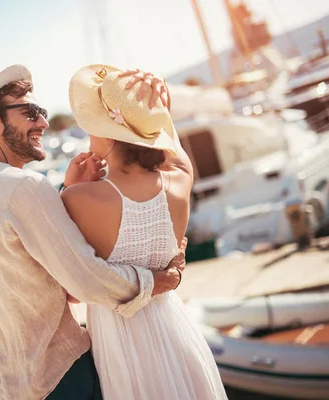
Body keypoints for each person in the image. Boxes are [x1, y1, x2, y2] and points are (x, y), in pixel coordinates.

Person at [0, 64, 187, 400]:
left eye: (41, 111)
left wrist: (66, 192)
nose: (43, 123)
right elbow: (86, 281)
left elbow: (25, 262)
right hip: (60, 375)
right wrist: (159, 280)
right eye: (30, 112)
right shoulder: (24, 188)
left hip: (9, 383)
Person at [65, 64, 227, 399]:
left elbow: (72, 292)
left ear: (109, 132)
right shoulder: (180, 179)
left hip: (123, 347)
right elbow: (174, 151)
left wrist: (69, 188)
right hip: (175, 327)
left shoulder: (78, 197)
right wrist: (159, 109)